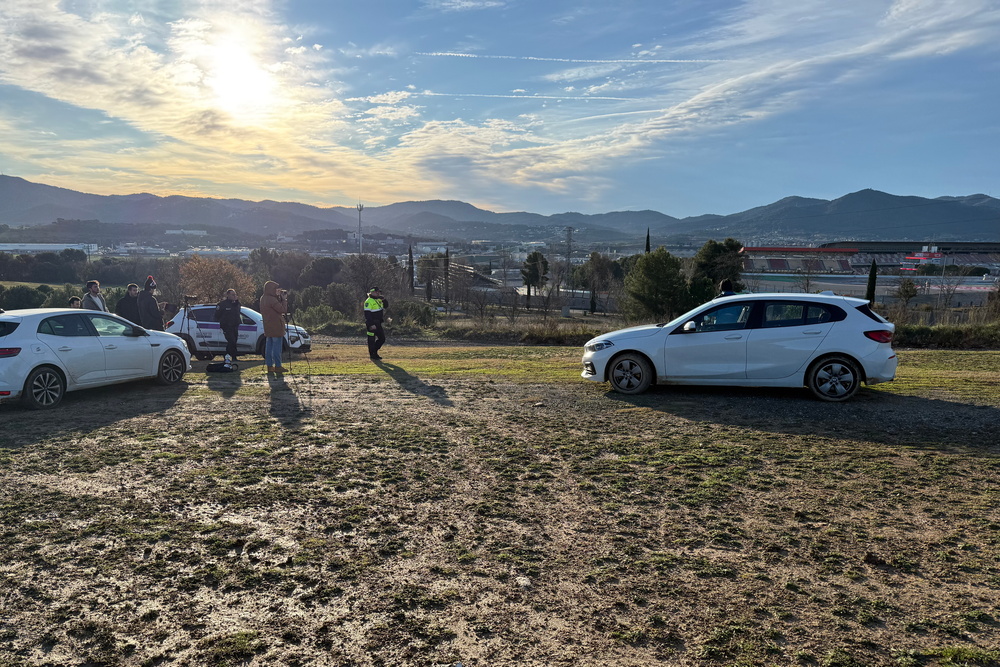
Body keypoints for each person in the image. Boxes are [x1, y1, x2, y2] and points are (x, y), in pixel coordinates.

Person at [260, 281, 287, 373]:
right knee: (277, 348)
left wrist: (278, 297)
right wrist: (284, 300)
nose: (277, 291)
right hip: (276, 326)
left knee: (269, 348)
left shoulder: (263, 298)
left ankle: (270, 366)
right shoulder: (272, 300)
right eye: (275, 289)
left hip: (268, 326)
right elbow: (282, 310)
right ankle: (278, 366)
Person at [215, 288, 242, 368]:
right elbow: (217, 315)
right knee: (231, 340)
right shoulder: (223, 304)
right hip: (227, 326)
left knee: (234, 341)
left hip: (235, 325)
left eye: (235, 294)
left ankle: (233, 357)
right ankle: (227, 355)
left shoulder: (237, 304)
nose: (234, 296)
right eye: (233, 295)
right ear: (228, 295)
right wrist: (224, 322)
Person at [363, 286, 390, 361]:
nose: (378, 293)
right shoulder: (368, 301)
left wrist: (384, 300)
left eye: (379, 292)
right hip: (372, 323)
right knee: (371, 340)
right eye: (377, 292)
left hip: (378, 323)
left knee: (382, 339)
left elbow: (386, 306)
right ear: (372, 292)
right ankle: (372, 355)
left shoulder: (379, 299)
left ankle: (374, 351)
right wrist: (371, 324)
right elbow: (367, 315)